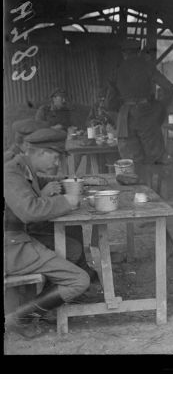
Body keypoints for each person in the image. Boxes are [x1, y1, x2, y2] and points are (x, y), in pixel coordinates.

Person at [4, 128, 93, 338]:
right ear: (39, 152)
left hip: (16, 238)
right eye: (55, 157)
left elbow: (38, 183)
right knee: (79, 280)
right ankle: (20, 317)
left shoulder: (24, 167)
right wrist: (66, 202)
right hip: (11, 247)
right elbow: (30, 210)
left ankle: (42, 306)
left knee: (72, 248)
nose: (57, 163)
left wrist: (72, 181)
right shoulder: (10, 173)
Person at [110, 39, 173, 164]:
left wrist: (119, 111)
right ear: (138, 51)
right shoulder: (147, 66)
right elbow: (169, 87)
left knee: (131, 160)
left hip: (125, 119)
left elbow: (110, 101)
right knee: (155, 157)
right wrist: (161, 106)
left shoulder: (117, 70)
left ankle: (137, 181)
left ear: (124, 53)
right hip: (146, 115)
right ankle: (152, 182)